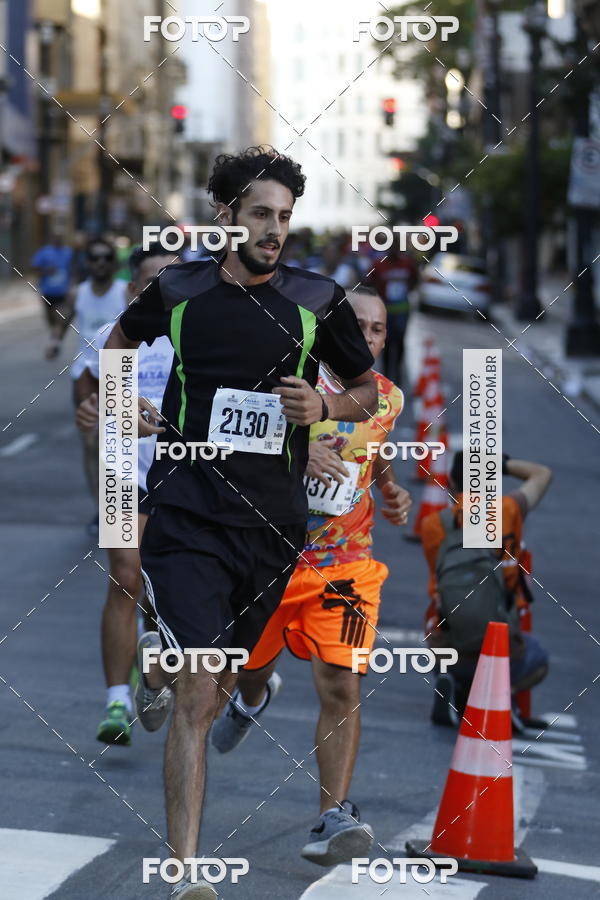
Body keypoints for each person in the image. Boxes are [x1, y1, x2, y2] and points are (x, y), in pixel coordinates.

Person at [102, 146, 378, 899]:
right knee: (199, 686)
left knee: (223, 678)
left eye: (284, 217)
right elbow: (119, 345)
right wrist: (122, 400)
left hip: (275, 523)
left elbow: (366, 391)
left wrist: (323, 409)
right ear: (225, 214)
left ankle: (227, 685)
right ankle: (186, 873)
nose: (274, 230)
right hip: (189, 509)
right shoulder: (181, 290)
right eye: (260, 214)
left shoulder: (318, 300)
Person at [211, 285, 411, 867]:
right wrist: (300, 453)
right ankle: (251, 701)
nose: (368, 338)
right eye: (360, 327)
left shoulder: (387, 396)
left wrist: (391, 490)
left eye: (378, 330)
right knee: (248, 671)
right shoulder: (285, 378)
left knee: (342, 685)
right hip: (270, 561)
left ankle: (333, 814)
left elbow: (379, 448)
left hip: (345, 568)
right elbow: (229, 442)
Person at [75, 245, 177, 745]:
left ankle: (152, 672)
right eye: (152, 281)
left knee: (164, 592)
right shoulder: (112, 340)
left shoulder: (202, 339)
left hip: (183, 476)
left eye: (172, 279)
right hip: (123, 473)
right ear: (134, 290)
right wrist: (92, 418)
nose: (163, 289)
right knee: (125, 577)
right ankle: (116, 701)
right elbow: (91, 401)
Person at [421, 451, 552, 728]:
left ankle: (453, 681)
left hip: (447, 646)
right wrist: (501, 464)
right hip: (499, 650)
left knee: (436, 615)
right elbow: (542, 474)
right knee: (538, 656)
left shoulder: (433, 525)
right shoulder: (508, 509)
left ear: (451, 485)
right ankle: (501, 696)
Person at [53, 238, 128, 527]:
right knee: (90, 442)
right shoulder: (78, 293)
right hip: (84, 372)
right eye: (94, 258)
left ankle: (121, 502)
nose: (99, 263)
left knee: (114, 442)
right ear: (87, 262)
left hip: (117, 371)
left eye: (106, 258)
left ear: (114, 263)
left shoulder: (124, 292)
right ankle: (102, 509)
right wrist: (54, 340)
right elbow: (63, 318)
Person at [368, 245, 418, 385]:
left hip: (402, 310)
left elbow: (415, 278)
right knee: (387, 342)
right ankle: (387, 374)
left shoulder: (407, 263)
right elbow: (369, 280)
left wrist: (407, 289)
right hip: (385, 310)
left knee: (400, 340)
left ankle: (398, 371)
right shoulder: (379, 264)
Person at [31, 229, 73, 353]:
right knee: (50, 319)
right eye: (55, 237)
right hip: (47, 292)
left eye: (60, 237)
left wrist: (72, 283)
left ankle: (55, 341)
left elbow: (73, 269)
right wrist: (46, 271)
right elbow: (35, 268)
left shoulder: (68, 252)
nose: (58, 239)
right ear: (51, 239)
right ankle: (55, 336)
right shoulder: (44, 252)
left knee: (61, 317)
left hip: (63, 292)